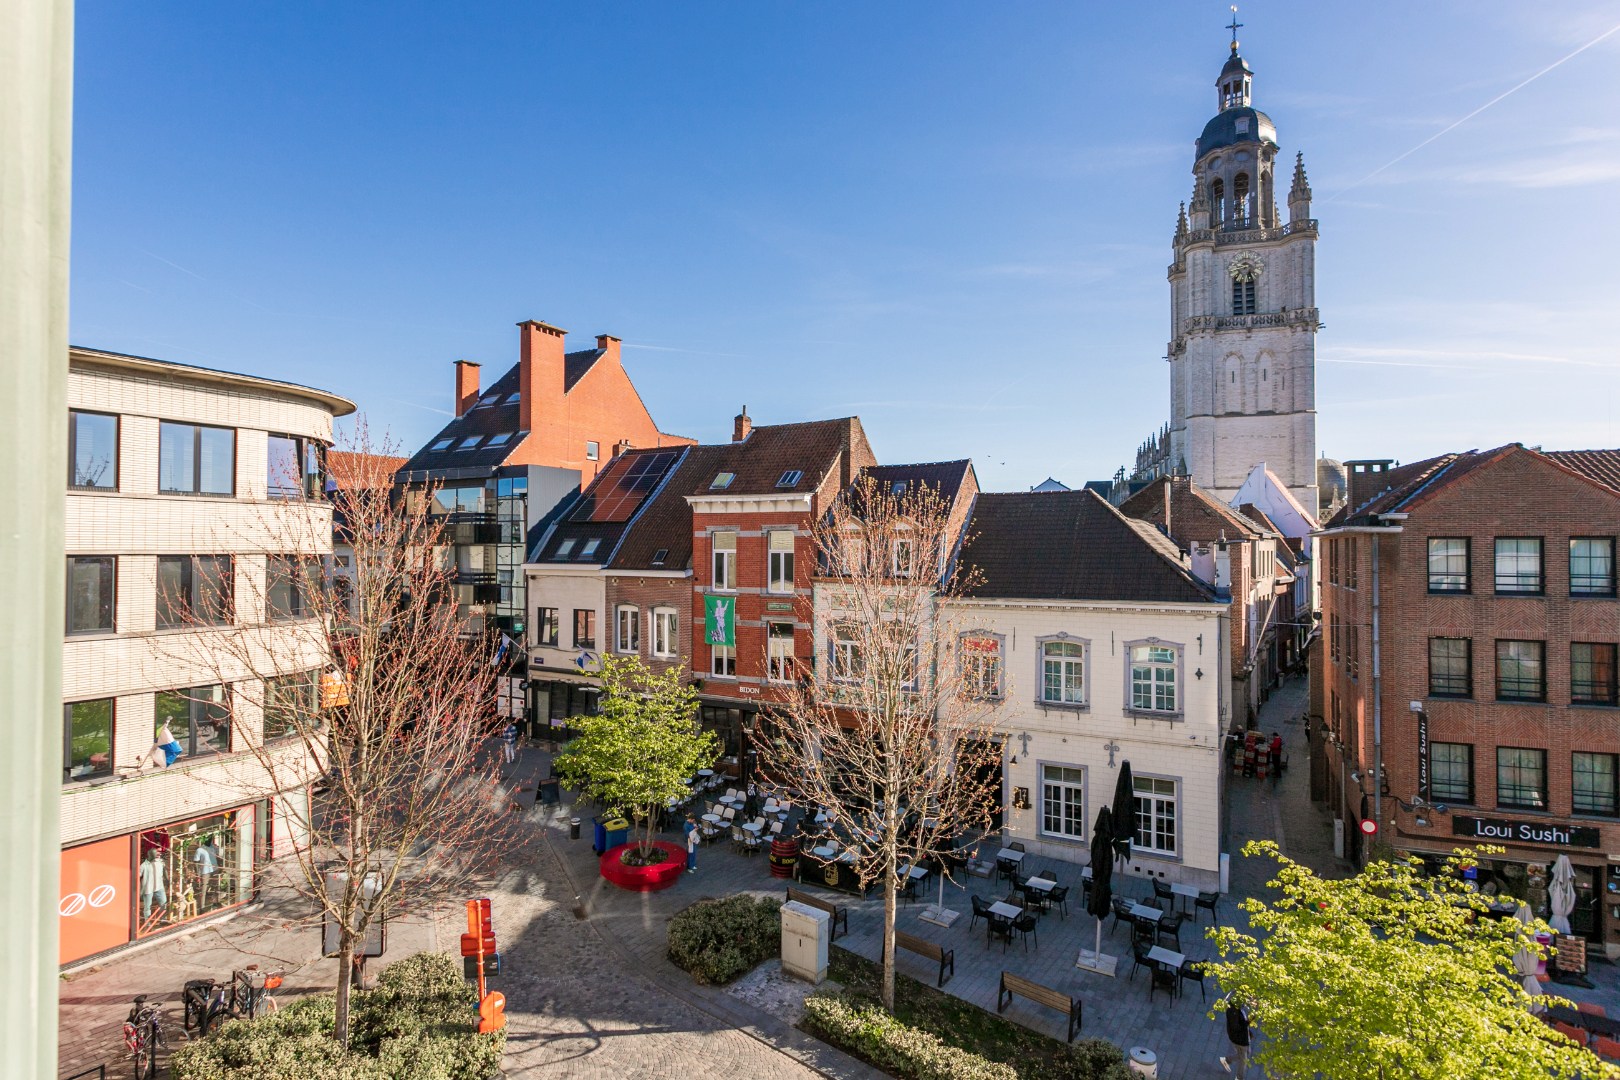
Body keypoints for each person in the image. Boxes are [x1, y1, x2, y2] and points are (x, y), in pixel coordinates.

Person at [1221, 999, 1251, 1076]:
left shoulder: (1237, 1009)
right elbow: (1237, 1028)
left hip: (1243, 1037)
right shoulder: (1233, 1012)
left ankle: (1226, 1060)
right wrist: (1248, 1021)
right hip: (1239, 1040)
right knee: (1244, 1060)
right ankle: (1239, 1078)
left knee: (1246, 1053)